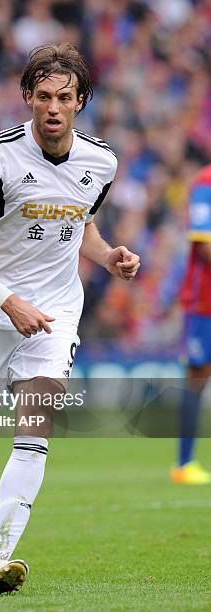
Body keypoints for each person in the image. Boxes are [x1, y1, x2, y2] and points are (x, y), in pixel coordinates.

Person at [0, 44, 140, 595]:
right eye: (42, 96)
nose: (52, 107)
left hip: (57, 312)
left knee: (34, 433)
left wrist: (109, 254)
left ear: (80, 102)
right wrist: (8, 301)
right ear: (27, 98)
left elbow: (80, 226)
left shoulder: (102, 162)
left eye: (63, 97)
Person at [172, 163, 211, 484]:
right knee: (197, 378)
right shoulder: (205, 183)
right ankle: (184, 463)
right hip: (204, 303)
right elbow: (205, 246)